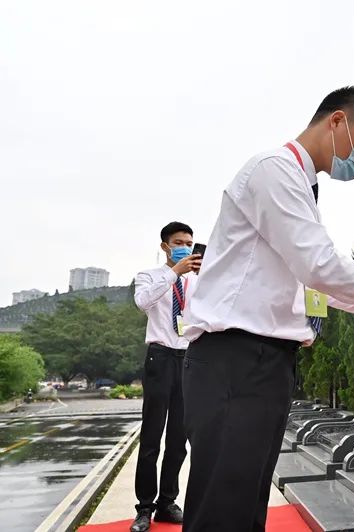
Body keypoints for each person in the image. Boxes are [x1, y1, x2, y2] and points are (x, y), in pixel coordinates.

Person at [181, 86, 354, 532]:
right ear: (337, 121)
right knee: (223, 509)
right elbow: (319, 266)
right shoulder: (275, 170)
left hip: (262, 363)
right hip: (236, 360)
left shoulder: (301, 186)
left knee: (244, 507)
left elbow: (315, 284)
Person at [130, 222, 202, 532]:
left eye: (189, 243)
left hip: (188, 359)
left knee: (178, 439)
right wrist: (174, 273)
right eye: (179, 242)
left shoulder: (197, 281)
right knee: (152, 436)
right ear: (165, 246)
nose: (185, 247)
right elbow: (142, 302)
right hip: (159, 357)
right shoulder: (149, 276)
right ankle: (144, 507)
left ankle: (167, 502)